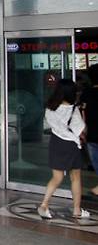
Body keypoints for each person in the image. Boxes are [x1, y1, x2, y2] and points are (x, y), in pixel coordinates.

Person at [38, 79, 89, 219]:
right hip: (70, 145)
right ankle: (77, 210)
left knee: (57, 177)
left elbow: (50, 124)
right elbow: (81, 130)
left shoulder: (50, 108)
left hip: (56, 143)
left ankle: (44, 204)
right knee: (75, 178)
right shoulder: (73, 110)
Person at [81, 64, 98, 196]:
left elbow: (83, 115)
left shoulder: (86, 93)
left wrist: (83, 131)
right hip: (92, 134)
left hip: (92, 134)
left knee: (96, 162)